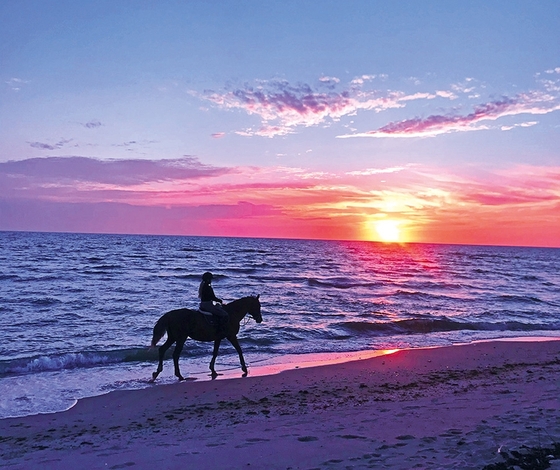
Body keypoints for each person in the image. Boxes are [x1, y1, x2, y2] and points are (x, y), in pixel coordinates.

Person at [198, 272, 229, 338]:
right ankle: (219, 330)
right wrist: (220, 300)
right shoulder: (208, 287)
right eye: (210, 279)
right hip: (208, 304)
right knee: (224, 314)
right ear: (208, 279)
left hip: (204, 304)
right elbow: (212, 297)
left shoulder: (203, 286)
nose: (211, 281)